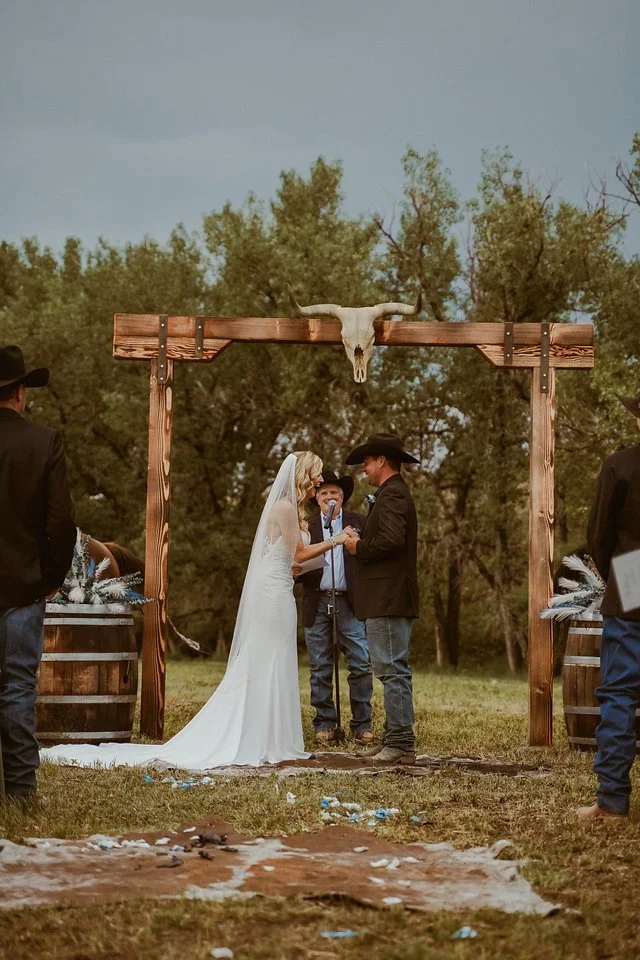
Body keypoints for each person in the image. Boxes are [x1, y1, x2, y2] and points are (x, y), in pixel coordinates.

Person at [41, 451, 354, 771]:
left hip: (280, 586)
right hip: (272, 594)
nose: (320, 479)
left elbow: (291, 559)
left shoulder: (294, 509)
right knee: (265, 659)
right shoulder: (285, 507)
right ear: (303, 474)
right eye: (316, 474)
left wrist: (301, 564)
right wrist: (338, 540)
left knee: (274, 659)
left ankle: (274, 736)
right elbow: (299, 551)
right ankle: (258, 737)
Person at [0, 345, 76, 804]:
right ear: (22, 393)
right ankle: (22, 792)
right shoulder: (43, 442)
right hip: (24, 587)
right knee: (17, 688)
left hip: (24, 586)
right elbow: (60, 524)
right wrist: (51, 577)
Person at [578, 394, 640, 822]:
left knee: (619, 691)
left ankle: (612, 803)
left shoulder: (621, 464)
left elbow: (599, 532)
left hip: (635, 570)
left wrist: (615, 572)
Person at [344, 434, 420, 765]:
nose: (364, 467)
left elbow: (391, 540)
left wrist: (357, 547)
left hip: (389, 595)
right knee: (389, 667)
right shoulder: (389, 494)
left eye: (368, 461)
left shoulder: (393, 495)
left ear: (382, 462)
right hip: (384, 595)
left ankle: (401, 742)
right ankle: (394, 738)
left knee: (392, 669)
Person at [298, 470, 373, 745]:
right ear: (316, 498)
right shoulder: (307, 527)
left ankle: (362, 723)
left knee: (360, 662)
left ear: (342, 498)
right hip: (317, 600)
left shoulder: (359, 522)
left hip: (349, 601)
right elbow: (297, 562)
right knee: (320, 666)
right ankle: (325, 723)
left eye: (335, 493)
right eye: (324, 493)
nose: (330, 497)